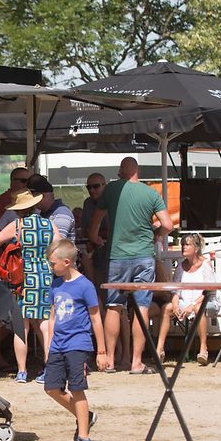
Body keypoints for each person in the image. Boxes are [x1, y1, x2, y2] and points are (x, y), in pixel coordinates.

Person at [88, 157, 172, 374]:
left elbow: (96, 221)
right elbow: (168, 225)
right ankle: (136, 362)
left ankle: (110, 361)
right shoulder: (151, 194)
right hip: (144, 256)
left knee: (114, 306)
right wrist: (156, 235)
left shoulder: (112, 189)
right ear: (138, 171)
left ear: (122, 171)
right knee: (141, 307)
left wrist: (95, 237)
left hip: (117, 256)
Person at [44, 240, 106, 441]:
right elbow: (53, 316)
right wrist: (49, 345)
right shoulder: (56, 284)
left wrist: (101, 351)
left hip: (78, 344)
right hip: (58, 345)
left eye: (53, 263)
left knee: (77, 389)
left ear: (67, 262)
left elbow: (96, 318)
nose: (51, 267)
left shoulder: (85, 286)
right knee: (51, 388)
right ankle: (86, 416)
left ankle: (84, 439)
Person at [0, 189, 59, 383]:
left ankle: (22, 371)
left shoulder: (17, 225)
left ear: (18, 209)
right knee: (45, 324)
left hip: (23, 278)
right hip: (45, 276)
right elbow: (60, 246)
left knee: (22, 326)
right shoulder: (49, 224)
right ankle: (49, 368)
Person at [154, 232, 219, 366]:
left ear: (196, 248)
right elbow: (176, 290)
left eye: (187, 245)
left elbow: (209, 291)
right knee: (166, 308)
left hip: (205, 301)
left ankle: (203, 349)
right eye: (183, 244)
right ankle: (159, 349)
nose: (184, 247)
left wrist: (193, 304)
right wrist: (175, 304)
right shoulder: (181, 267)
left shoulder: (205, 265)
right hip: (186, 301)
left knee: (199, 308)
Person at [80, 172, 109, 284]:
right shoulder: (87, 203)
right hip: (95, 254)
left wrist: (96, 234)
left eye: (96, 186)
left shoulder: (112, 203)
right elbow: (84, 229)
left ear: (104, 186)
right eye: (88, 187)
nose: (91, 190)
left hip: (113, 254)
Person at [0, 166, 30, 230]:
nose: (27, 184)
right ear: (13, 182)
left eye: (29, 181)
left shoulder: (31, 198)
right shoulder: (5, 198)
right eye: (24, 181)